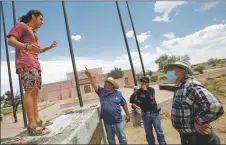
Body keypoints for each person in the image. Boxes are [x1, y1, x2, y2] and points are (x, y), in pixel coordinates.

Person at [7, 10, 57, 136]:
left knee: (34, 91)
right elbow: (11, 41)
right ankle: (31, 125)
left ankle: (37, 121)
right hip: (26, 63)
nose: (42, 22)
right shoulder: (22, 26)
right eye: (40, 19)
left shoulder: (33, 33)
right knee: (30, 90)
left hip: (35, 64)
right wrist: (25, 46)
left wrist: (49, 47)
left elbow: (37, 50)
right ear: (33, 16)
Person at [164, 61, 224, 145]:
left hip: (199, 138)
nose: (168, 73)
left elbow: (214, 106)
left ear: (182, 71)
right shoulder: (181, 86)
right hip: (189, 137)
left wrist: (199, 121)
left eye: (171, 70)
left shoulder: (190, 85)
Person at [84, 67, 130, 145]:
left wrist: (128, 114)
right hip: (107, 123)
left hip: (118, 121)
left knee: (122, 139)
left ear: (112, 86)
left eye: (107, 83)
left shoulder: (118, 94)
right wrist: (89, 76)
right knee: (111, 141)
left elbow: (124, 104)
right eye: (105, 83)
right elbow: (93, 84)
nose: (105, 84)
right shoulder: (101, 92)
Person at [136, 76, 166, 145]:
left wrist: (146, 91)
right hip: (145, 114)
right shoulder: (138, 92)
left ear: (148, 83)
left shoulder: (151, 89)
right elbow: (138, 102)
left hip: (155, 114)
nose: (143, 84)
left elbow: (152, 99)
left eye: (145, 82)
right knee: (148, 133)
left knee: (159, 132)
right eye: (142, 82)